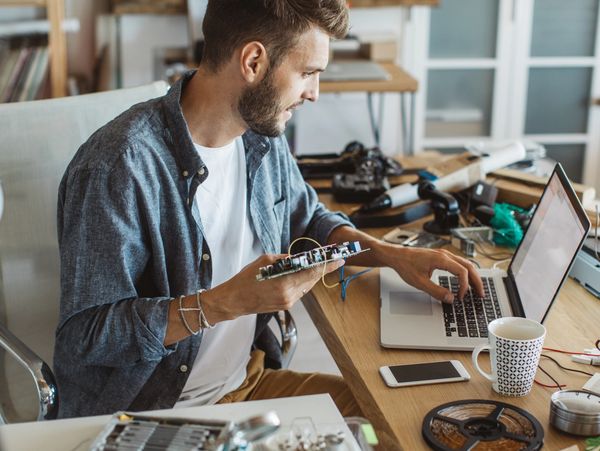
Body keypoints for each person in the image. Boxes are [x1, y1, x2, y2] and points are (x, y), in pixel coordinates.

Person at [54, 0, 483, 419]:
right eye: (307, 73)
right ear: (254, 62)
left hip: (246, 385)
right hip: (149, 416)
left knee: (412, 419)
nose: (313, 94)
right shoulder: (118, 166)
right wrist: (222, 303)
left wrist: (393, 256)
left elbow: (310, 220)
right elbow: (86, 337)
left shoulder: (261, 135)